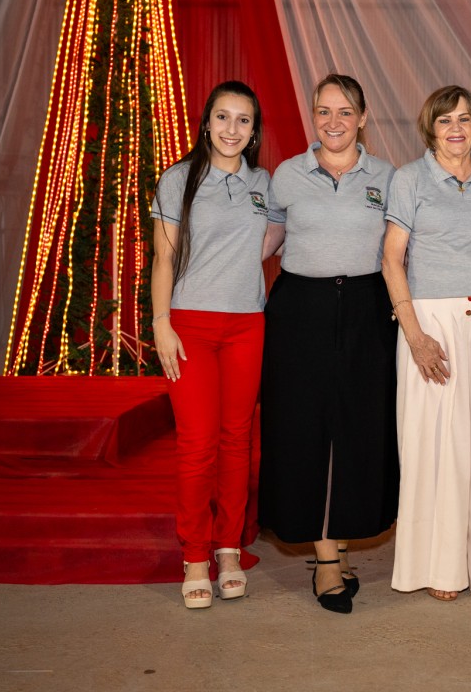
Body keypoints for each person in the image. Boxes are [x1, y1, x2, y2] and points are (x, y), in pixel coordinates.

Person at [258, 74, 398, 615]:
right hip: (301, 311)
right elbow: (267, 237)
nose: (333, 121)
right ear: (312, 116)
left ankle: (339, 541)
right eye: (323, 111)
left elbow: (403, 247)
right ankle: (326, 560)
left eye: (344, 112)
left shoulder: (387, 176)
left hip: (368, 308)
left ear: (362, 118)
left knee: (359, 426)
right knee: (305, 428)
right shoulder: (287, 175)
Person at [381, 85, 471, 601]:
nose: (455, 128)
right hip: (429, 323)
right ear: (429, 128)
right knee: (431, 443)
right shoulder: (409, 179)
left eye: (463, 119)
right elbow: (392, 260)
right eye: (444, 120)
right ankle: (437, 565)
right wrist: (414, 336)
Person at [151, 80, 277, 609]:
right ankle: (195, 556)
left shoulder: (264, 183)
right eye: (223, 117)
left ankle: (228, 549)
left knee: (237, 440)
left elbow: (272, 238)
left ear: (254, 131)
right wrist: (161, 322)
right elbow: (163, 258)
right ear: (206, 123)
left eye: (243, 120)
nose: (232, 128)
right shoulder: (179, 179)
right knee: (197, 443)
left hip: (247, 324)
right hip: (190, 327)